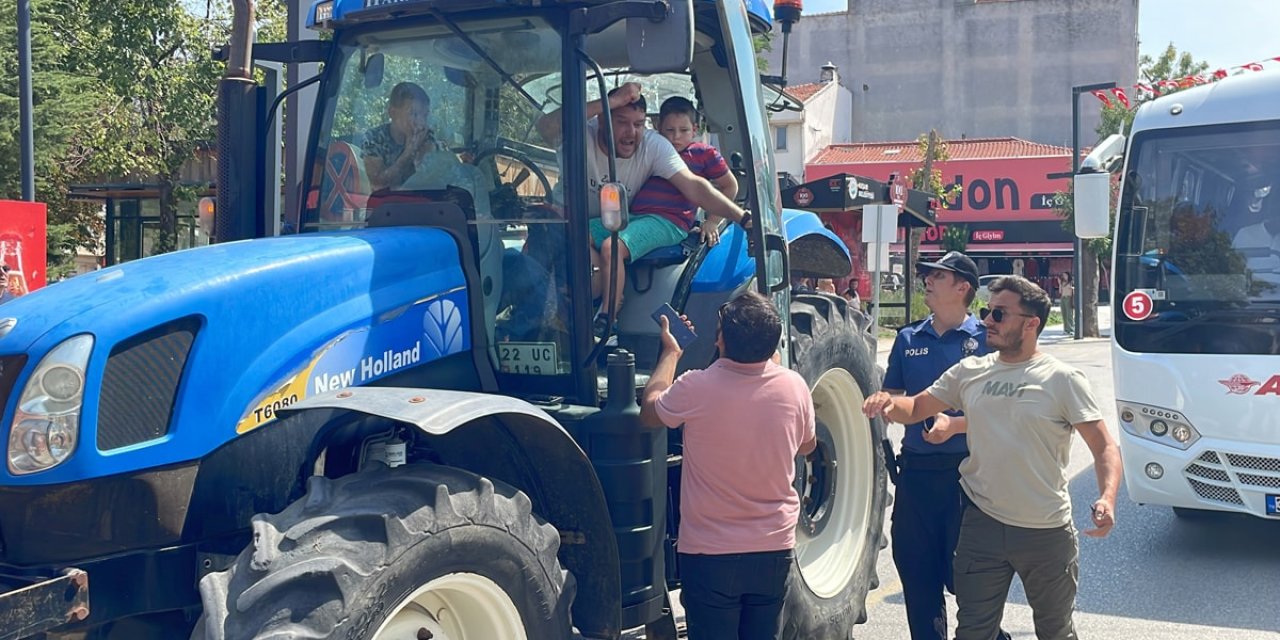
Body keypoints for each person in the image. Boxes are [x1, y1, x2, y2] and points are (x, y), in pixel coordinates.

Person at [862, 275, 1122, 640]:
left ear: (1031, 323)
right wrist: (889, 403)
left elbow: (1105, 446)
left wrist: (1107, 497)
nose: (986, 321)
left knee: (1055, 631)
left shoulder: (1062, 379)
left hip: (1045, 531)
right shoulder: (970, 372)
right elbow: (917, 406)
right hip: (982, 526)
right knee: (973, 633)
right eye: (987, 311)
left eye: (999, 314)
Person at [640, 292, 815, 640]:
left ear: (720, 340)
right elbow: (807, 444)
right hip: (773, 549)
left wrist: (671, 353)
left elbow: (650, 410)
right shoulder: (794, 386)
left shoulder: (696, 386)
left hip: (710, 555)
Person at [535, 82, 747, 334]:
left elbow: (696, 186)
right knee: (552, 244)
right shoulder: (580, 135)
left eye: (638, 124)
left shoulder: (655, 146)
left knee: (609, 249)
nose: (631, 132)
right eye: (621, 121)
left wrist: (741, 217)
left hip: (647, 222)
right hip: (574, 225)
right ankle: (573, 312)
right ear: (600, 119)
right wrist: (611, 100)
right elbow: (545, 127)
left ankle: (607, 316)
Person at [880, 251, 994, 640]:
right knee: (917, 575)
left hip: (969, 476)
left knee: (969, 580)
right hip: (916, 474)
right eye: (927, 274)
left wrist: (956, 425)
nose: (926, 280)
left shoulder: (987, 339)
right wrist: (883, 404)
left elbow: (1008, 412)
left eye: (938, 276)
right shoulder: (908, 337)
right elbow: (894, 397)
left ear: (963, 287)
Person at [629, 96, 739, 247]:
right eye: (669, 130)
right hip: (634, 217)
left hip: (667, 221)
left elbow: (730, 185)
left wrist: (712, 221)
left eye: (684, 130)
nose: (676, 137)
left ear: (694, 130)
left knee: (614, 247)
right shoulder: (652, 148)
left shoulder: (703, 153)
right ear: (658, 127)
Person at [362, 82, 437, 192]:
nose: (421, 123)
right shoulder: (374, 138)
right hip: (385, 207)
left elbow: (434, 181)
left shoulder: (426, 136)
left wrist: (423, 153)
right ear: (392, 113)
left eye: (425, 115)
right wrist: (409, 153)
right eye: (414, 114)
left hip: (424, 205)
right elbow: (377, 185)